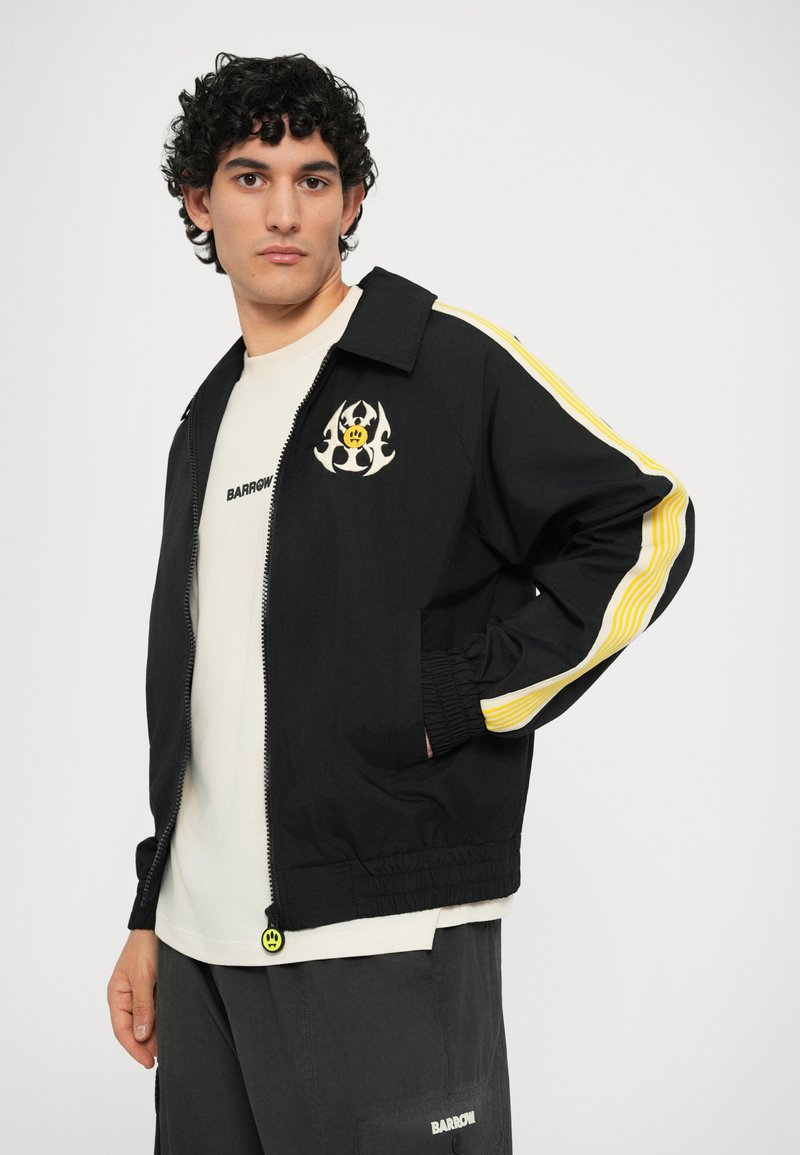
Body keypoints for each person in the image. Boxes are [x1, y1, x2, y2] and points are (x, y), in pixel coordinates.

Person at [106, 51, 695, 1154]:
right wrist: (151, 911)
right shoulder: (207, 417)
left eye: (314, 178)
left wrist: (460, 695)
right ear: (198, 202)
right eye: (249, 177)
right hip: (199, 955)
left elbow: (645, 520)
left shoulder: (440, 364)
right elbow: (199, 687)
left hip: (383, 930)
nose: (284, 211)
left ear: (353, 200)